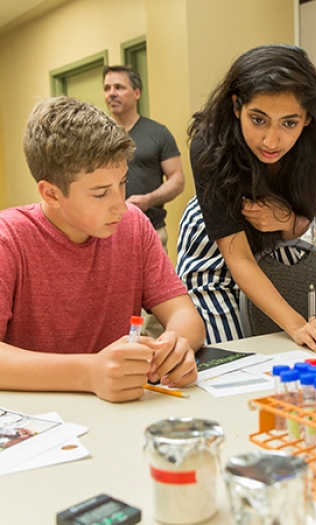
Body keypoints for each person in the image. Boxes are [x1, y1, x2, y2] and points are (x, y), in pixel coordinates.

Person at [0, 96, 205, 403]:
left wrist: (176, 346)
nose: (119, 205)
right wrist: (89, 372)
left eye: (122, 182)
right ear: (51, 193)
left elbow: (183, 314)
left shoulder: (133, 226)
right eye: (100, 193)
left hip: (118, 411)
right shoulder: (9, 239)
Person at [177, 44, 316, 355]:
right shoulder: (209, 144)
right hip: (214, 251)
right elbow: (238, 258)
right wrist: (298, 325)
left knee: (283, 353)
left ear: (308, 118)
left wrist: (286, 220)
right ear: (236, 107)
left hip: (267, 253)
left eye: (289, 123)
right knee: (233, 356)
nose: (272, 141)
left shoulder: (312, 144)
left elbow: (299, 224)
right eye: (258, 120)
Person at [103, 65, 185, 337]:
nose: (111, 93)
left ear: (136, 92)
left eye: (119, 87)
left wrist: (148, 199)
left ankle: (153, 358)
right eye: (107, 88)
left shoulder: (157, 133)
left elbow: (177, 180)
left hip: (151, 231)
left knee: (157, 311)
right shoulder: (99, 138)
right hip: (105, 235)